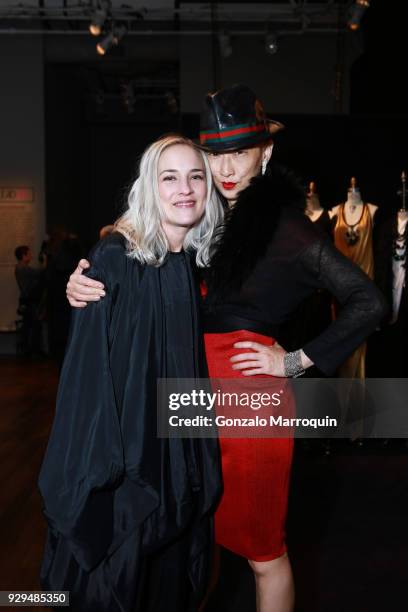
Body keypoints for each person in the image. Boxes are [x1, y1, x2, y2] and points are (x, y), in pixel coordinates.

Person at [66, 85, 387, 612]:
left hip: (249, 400)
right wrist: (83, 279)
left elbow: (368, 301)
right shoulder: (199, 220)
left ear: (267, 153)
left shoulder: (289, 231)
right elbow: (134, 246)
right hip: (187, 390)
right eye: (216, 153)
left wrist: (293, 361)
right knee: (191, 539)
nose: (228, 166)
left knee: (263, 551)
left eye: (241, 151)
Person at [38, 134, 223, 612]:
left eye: (195, 176)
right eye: (169, 178)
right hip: (127, 478)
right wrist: (105, 480)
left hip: (173, 467)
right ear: (148, 189)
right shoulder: (117, 258)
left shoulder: (184, 261)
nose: (185, 188)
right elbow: (87, 379)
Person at [14, 245, 46, 356]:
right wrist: (45, 262)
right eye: (29, 253)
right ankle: (33, 350)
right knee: (34, 324)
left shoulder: (20, 268)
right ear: (23, 256)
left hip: (26, 300)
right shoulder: (22, 268)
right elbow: (40, 272)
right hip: (29, 300)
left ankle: (28, 350)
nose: (31, 256)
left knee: (29, 325)